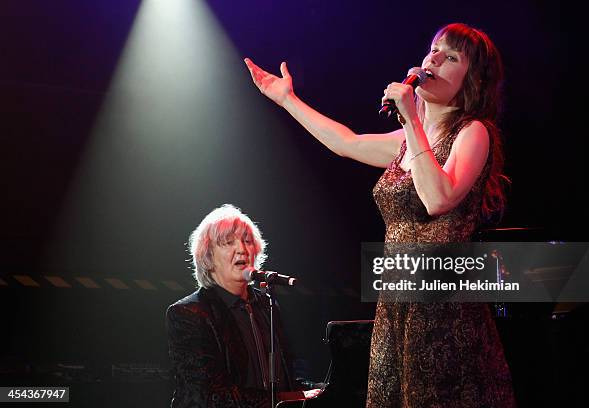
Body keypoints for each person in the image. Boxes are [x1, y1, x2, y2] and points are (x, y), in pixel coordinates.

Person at [245, 23, 515, 407]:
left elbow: (438, 198)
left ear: (472, 80)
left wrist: (412, 120)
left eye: (451, 56)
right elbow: (346, 142)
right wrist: (287, 99)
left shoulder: (473, 133)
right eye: (434, 50)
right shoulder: (409, 140)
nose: (434, 59)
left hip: (444, 306)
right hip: (397, 300)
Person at [166, 204, 319, 407]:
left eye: (247, 241)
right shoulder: (188, 313)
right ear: (208, 257)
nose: (242, 249)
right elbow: (209, 395)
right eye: (228, 242)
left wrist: (318, 390)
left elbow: (284, 378)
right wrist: (280, 400)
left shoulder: (266, 304)